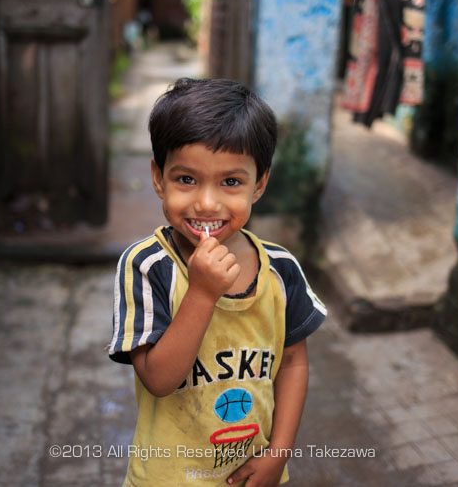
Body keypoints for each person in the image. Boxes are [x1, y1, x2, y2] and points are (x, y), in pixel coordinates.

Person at [108, 78, 327, 486]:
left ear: (259, 184)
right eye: (186, 179)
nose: (207, 203)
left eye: (231, 182)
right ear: (158, 177)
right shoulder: (147, 266)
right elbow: (158, 379)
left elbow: (293, 361)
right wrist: (203, 292)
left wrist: (277, 456)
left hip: (254, 472)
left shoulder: (280, 269)